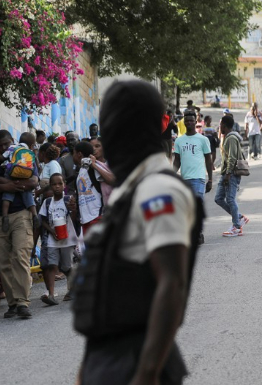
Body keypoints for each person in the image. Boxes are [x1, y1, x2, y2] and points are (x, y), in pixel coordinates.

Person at [78, 80, 198, 385]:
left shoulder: (159, 189)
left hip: (137, 364)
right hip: (106, 361)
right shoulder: (129, 189)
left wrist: (145, 375)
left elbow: (173, 282)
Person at [0, 130, 38, 320]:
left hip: (21, 214)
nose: (5, 148)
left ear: (13, 141)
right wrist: (6, 187)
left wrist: (16, 184)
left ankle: (22, 302)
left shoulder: (24, 156)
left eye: (7, 143)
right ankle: (13, 302)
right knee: (2, 260)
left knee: (20, 256)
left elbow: (34, 181)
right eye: (1, 145)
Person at [173, 111, 213, 244]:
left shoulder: (203, 139)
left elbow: (208, 160)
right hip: (184, 179)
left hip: (199, 178)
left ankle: (198, 233)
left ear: (195, 122)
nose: (189, 123)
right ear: (184, 122)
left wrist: (210, 179)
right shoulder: (179, 141)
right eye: (187, 121)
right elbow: (177, 160)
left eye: (191, 120)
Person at [38, 173, 77, 306]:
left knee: (66, 266)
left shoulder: (68, 199)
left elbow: (75, 217)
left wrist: (73, 208)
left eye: (60, 184)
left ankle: (73, 288)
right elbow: (42, 220)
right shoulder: (47, 202)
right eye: (54, 184)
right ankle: (51, 294)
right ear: (50, 186)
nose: (57, 187)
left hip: (67, 239)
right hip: (52, 239)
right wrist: (51, 231)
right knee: (51, 265)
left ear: (64, 185)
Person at [216, 115, 249, 237]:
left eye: (220, 125)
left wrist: (228, 174)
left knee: (230, 199)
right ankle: (239, 217)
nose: (220, 127)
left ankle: (236, 226)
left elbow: (232, 158)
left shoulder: (231, 138)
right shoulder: (227, 138)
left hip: (231, 173)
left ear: (224, 125)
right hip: (226, 172)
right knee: (218, 198)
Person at [69, 141, 104, 236]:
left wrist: (94, 164)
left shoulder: (93, 167)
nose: (73, 156)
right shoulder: (80, 171)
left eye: (74, 153)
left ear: (79, 154)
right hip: (85, 220)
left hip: (96, 217)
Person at [89, 137, 115, 205]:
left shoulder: (112, 163)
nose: (94, 149)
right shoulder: (87, 168)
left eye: (97, 146)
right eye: (91, 147)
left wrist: (95, 165)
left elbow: (112, 180)